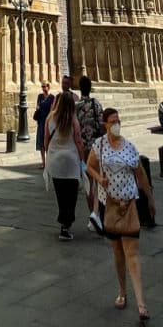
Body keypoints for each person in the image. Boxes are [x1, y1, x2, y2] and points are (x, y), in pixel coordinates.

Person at [86, 107, 155, 327]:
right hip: (110, 206)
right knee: (117, 251)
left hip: (130, 204)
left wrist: (150, 198)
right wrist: (99, 180)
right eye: (113, 121)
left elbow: (141, 173)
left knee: (132, 253)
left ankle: (141, 304)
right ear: (105, 124)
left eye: (118, 120)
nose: (117, 124)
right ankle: (123, 291)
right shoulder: (100, 145)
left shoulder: (130, 147)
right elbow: (89, 166)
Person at [43, 89, 84, 239]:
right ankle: (67, 224)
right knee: (71, 195)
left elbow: (46, 142)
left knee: (61, 195)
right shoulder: (73, 120)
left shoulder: (50, 118)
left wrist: (49, 156)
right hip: (71, 162)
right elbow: (79, 141)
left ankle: (63, 225)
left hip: (56, 162)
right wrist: (82, 160)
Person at [74, 75, 105, 231]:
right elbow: (103, 124)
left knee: (88, 182)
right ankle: (97, 213)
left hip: (85, 148)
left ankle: (93, 214)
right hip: (97, 147)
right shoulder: (96, 104)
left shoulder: (77, 106)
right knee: (98, 180)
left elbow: (75, 130)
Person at [34, 81, 55, 170]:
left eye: (44, 86)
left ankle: (49, 162)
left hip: (48, 122)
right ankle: (43, 162)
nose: (43, 88)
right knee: (41, 143)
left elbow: (52, 110)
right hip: (41, 122)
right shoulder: (40, 96)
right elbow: (37, 107)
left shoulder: (52, 97)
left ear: (48, 87)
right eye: (42, 86)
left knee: (48, 143)